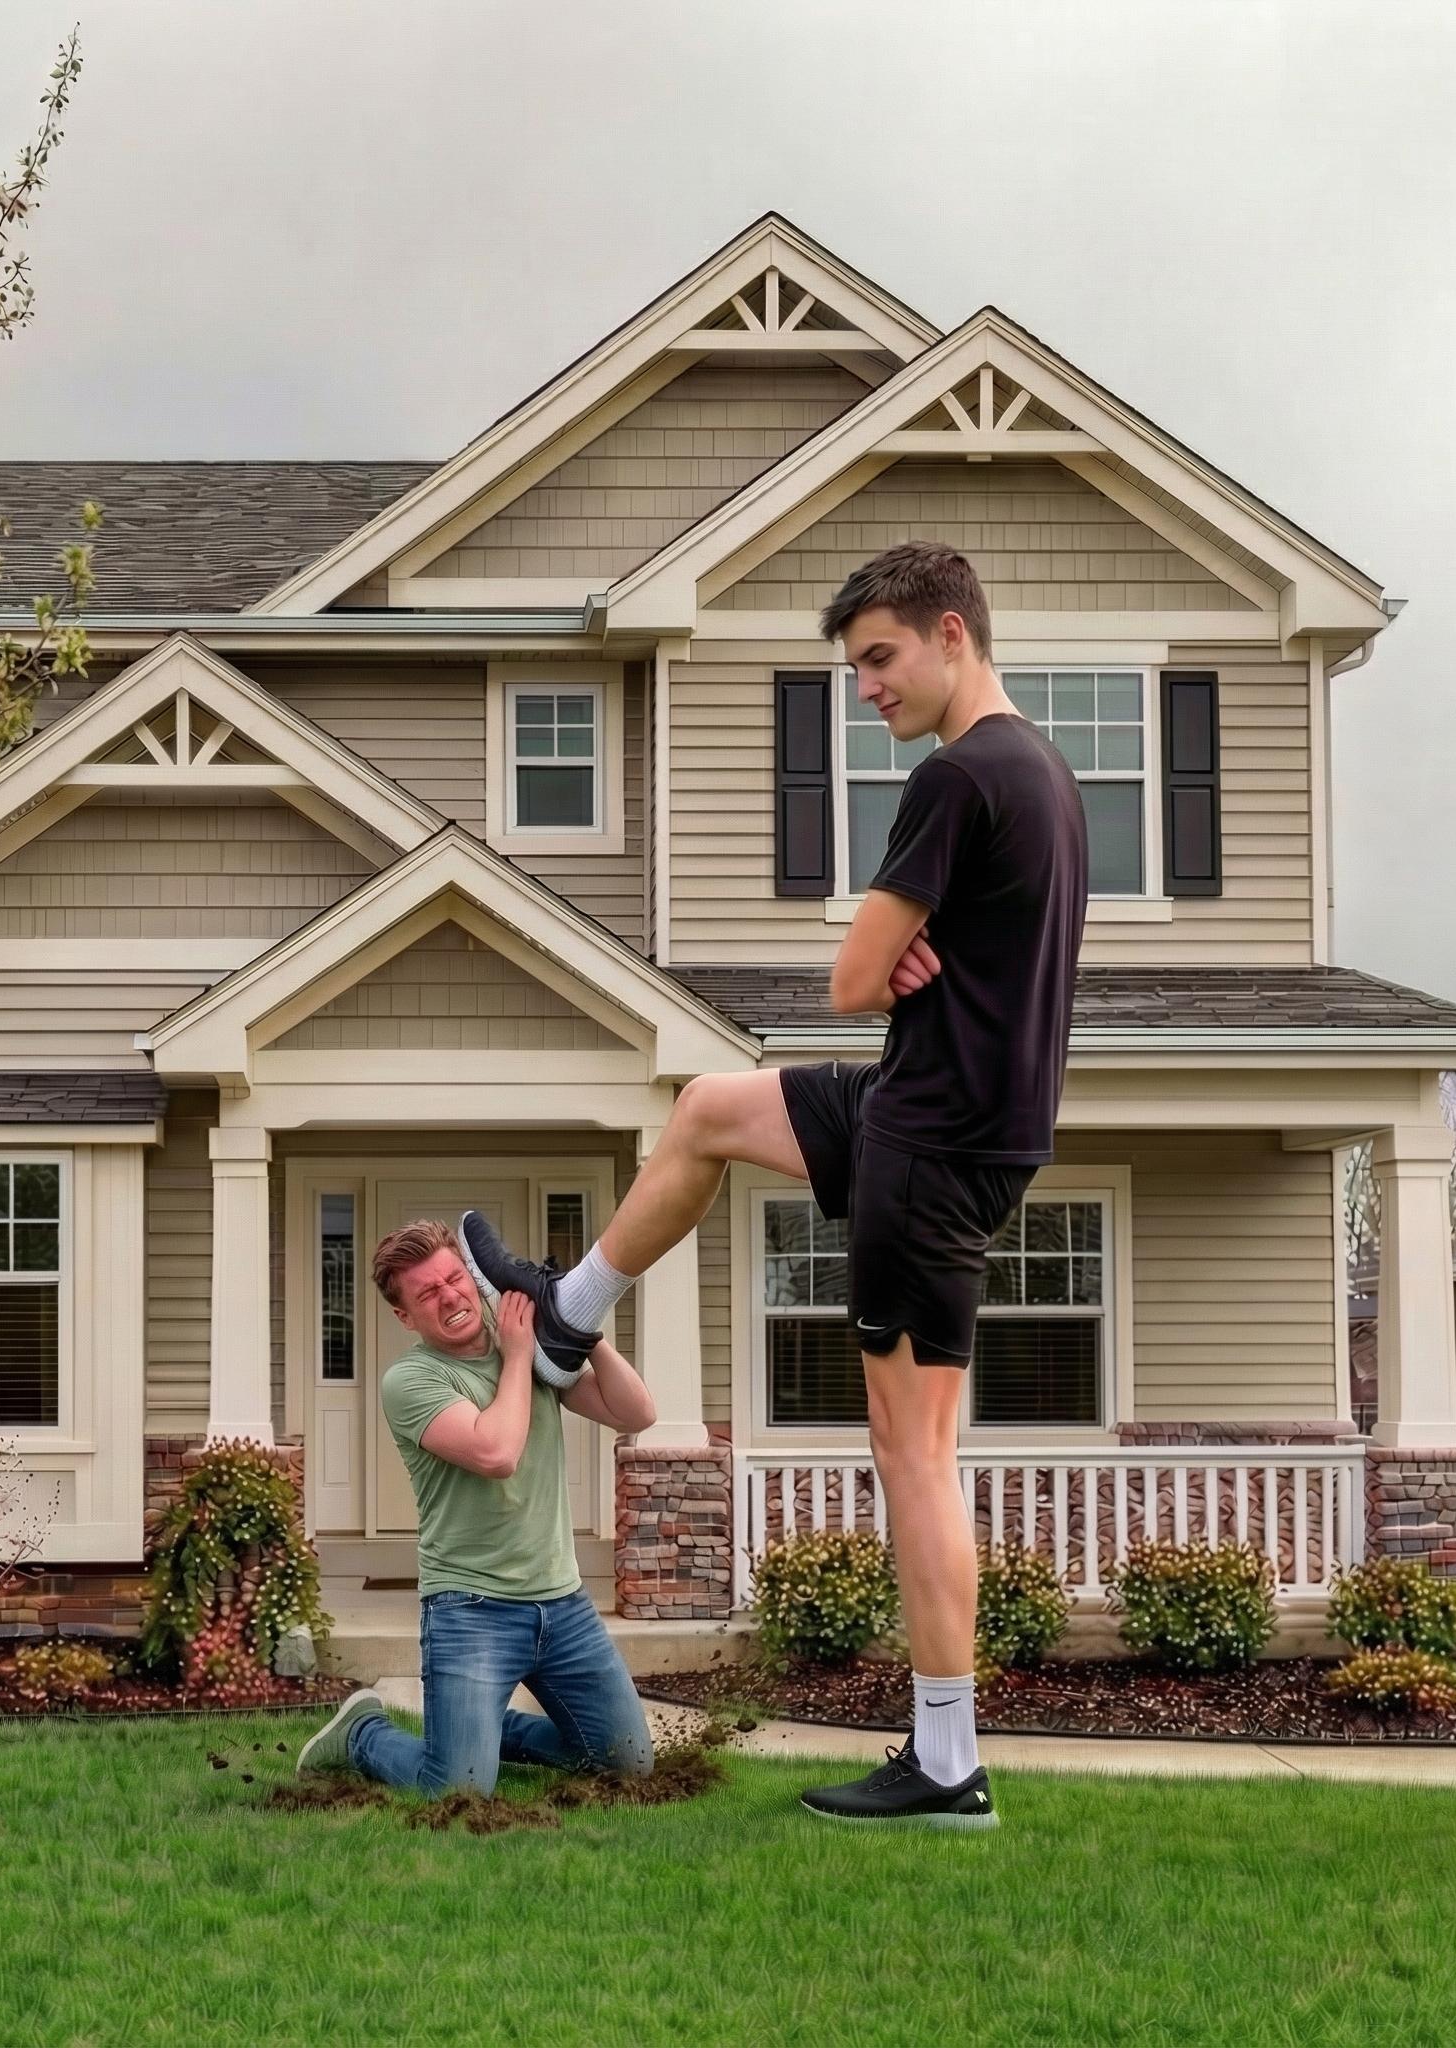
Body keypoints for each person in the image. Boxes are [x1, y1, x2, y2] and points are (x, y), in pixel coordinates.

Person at [459, 541, 1089, 1829]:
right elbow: (897, 967)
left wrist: (886, 949)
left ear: (952, 634)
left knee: (911, 1454)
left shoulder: (959, 775)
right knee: (706, 1110)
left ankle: (946, 1758)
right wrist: (903, 950)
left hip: (933, 1142)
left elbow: (851, 978)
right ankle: (571, 1316)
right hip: (934, 1110)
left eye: (879, 658)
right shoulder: (1044, 775)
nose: (866, 688)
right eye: (854, 665)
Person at [296, 1218, 658, 1796]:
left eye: (454, 1278)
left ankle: (484, 1733)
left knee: (627, 1766)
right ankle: (363, 1733)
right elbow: (496, 1452)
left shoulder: (529, 1343)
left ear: (471, 1276)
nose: (450, 1297)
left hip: (561, 1603)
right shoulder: (411, 1380)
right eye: (427, 1294)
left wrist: (574, 1325)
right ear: (405, 1316)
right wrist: (520, 1355)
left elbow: (636, 1415)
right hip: (471, 1609)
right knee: (455, 1792)